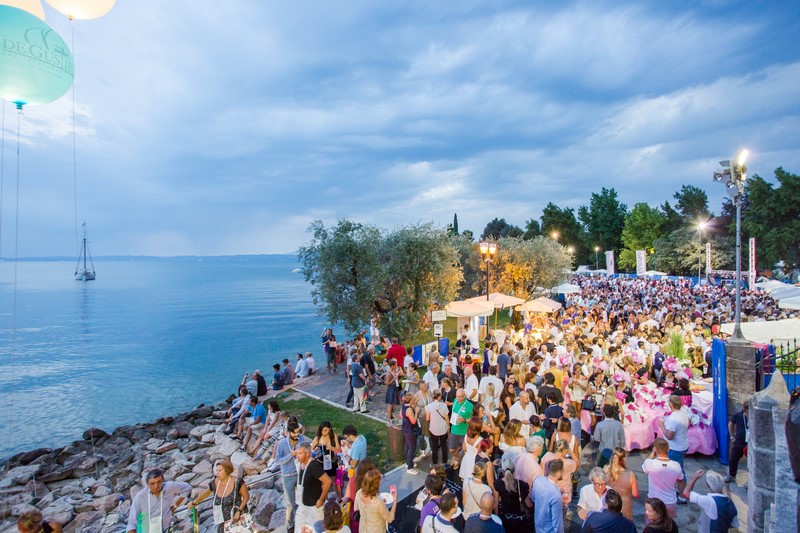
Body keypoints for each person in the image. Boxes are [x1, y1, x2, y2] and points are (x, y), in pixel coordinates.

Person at [189, 459, 249, 533]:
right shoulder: (215, 482)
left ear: (227, 471)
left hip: (237, 519)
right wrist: (194, 502)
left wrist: (239, 511)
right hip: (222, 521)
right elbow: (206, 493)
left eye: (220, 471)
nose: (217, 473)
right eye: (216, 470)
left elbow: (246, 497)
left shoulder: (237, 482)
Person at [126, 469, 193, 533]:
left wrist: (177, 504)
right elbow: (132, 522)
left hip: (166, 529)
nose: (156, 486)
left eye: (159, 482)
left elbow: (188, 488)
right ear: (147, 484)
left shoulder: (169, 487)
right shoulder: (140, 497)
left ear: (162, 480)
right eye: (152, 483)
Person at [274, 422, 309, 533]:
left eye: (298, 432)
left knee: (301, 501)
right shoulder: (282, 444)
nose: (297, 435)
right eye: (295, 433)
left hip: (300, 474)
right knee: (290, 504)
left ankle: (301, 523)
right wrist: (291, 455)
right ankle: (290, 526)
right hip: (288, 476)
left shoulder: (301, 439)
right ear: (289, 433)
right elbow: (278, 461)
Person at [642, 439, 683, 518]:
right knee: (668, 523)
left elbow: (645, 468)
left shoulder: (649, 463)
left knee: (651, 523)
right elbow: (680, 480)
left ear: (655, 449)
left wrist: (652, 453)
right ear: (668, 449)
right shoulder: (676, 465)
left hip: (653, 501)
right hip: (670, 501)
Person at [295, 442, 332, 530]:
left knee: (314, 529)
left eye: (300, 453)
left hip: (314, 508)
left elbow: (327, 482)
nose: (297, 456)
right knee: (299, 529)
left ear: (307, 454)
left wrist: (321, 499)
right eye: (297, 453)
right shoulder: (300, 464)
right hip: (302, 505)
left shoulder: (314, 466)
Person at [658, 395, 689, 500]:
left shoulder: (674, 419)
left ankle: (683, 496)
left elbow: (669, 436)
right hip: (682, 445)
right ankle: (678, 489)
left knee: (679, 472)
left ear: (671, 404)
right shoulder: (683, 414)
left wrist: (661, 425)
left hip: (676, 449)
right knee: (676, 470)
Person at [354, 469, 398, 533]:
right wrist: (395, 500)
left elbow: (356, 508)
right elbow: (390, 519)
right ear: (376, 485)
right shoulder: (378, 502)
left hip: (363, 529)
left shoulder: (359, 493)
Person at [531, 458, 565, 533]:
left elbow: (533, 498)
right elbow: (557, 522)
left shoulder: (538, 480)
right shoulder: (556, 495)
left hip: (538, 526)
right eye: (563, 470)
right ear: (558, 473)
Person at [604, 448, 638, 520]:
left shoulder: (605, 470)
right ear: (623, 460)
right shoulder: (630, 475)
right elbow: (635, 494)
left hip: (609, 505)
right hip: (625, 508)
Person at [449, 388, 474, 469]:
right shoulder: (455, 401)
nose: (458, 398)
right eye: (457, 396)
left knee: (466, 450)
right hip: (454, 430)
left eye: (460, 396)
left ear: (465, 396)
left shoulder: (470, 406)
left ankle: (465, 466)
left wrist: (464, 420)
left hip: (464, 432)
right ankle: (457, 458)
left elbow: (474, 420)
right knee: (451, 450)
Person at [426, 389, 450, 465]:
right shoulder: (444, 405)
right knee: (444, 445)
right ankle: (444, 461)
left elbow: (427, 418)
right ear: (439, 396)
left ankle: (434, 462)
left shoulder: (429, 406)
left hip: (433, 429)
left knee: (434, 447)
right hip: (443, 429)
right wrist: (448, 428)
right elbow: (447, 418)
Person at [725, 400, 748, 483]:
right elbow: (730, 424)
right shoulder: (738, 415)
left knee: (752, 462)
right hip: (739, 440)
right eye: (746, 412)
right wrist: (732, 437)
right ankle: (731, 475)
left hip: (749, 442)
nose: (747, 414)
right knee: (733, 458)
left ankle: (751, 481)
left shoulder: (754, 417)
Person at [401, 392, 420, 474]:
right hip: (411, 430)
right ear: (411, 400)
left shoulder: (403, 406)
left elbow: (401, 415)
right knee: (412, 448)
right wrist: (416, 412)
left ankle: (408, 462)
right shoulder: (409, 409)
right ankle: (410, 467)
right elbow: (413, 421)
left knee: (407, 446)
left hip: (405, 428)